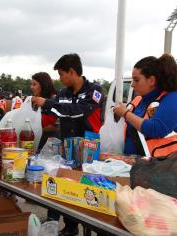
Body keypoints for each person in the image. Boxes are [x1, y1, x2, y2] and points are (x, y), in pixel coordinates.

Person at [32, 53, 104, 236]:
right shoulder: (63, 94)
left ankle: (88, 228)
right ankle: (68, 227)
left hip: (88, 152)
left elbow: (78, 112)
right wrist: (49, 105)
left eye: (62, 74)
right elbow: (58, 111)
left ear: (72, 72)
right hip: (66, 148)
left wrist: (47, 103)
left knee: (86, 192)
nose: (60, 79)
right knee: (62, 187)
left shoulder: (94, 91)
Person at [113, 54, 177, 157]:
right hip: (133, 165)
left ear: (151, 80)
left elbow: (156, 129)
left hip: (164, 168)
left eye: (136, 80)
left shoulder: (174, 99)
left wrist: (125, 113)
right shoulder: (139, 100)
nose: (132, 85)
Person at [30, 72, 59, 152]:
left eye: (34, 84)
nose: (31, 87)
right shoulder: (34, 101)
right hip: (37, 145)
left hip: (51, 148)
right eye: (31, 84)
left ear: (43, 85)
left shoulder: (55, 101)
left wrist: (32, 130)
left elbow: (55, 126)